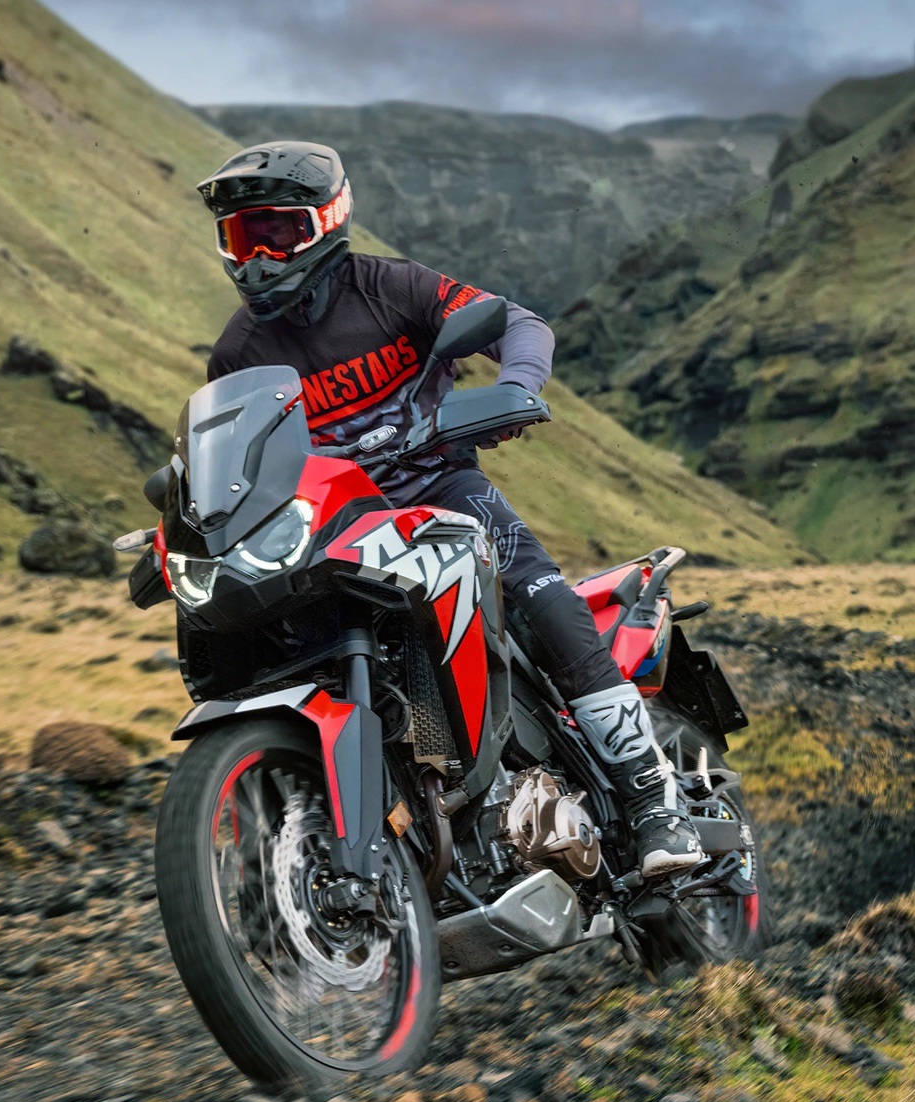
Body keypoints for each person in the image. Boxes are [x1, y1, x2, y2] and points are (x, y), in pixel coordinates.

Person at [196, 140, 702, 878]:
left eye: (279, 233)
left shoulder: (392, 288)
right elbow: (239, 456)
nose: (261, 258)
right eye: (244, 239)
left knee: (547, 604)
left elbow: (517, 323)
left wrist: (517, 385)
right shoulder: (237, 352)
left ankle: (655, 804)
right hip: (333, 523)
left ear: (327, 222)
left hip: (438, 487)